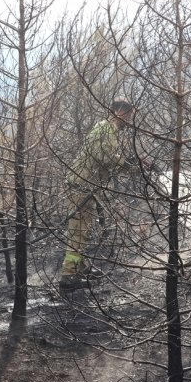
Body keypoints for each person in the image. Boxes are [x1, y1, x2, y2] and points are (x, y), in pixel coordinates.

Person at [60, 99, 140, 291]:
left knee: (83, 229)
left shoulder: (107, 130)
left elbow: (108, 156)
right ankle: (68, 275)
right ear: (120, 112)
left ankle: (81, 267)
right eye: (128, 115)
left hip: (85, 184)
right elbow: (104, 157)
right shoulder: (106, 129)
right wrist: (127, 165)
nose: (129, 120)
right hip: (81, 185)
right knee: (78, 231)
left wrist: (125, 162)